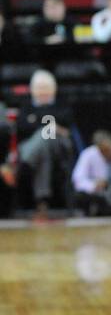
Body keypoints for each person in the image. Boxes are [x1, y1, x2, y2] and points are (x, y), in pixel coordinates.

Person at [0, 70, 77, 216]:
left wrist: (37, 121)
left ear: (53, 88)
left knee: (45, 135)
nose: (43, 91)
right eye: (40, 88)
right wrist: (50, 123)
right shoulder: (26, 104)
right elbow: (22, 126)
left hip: (59, 145)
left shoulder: (62, 102)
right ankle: (42, 201)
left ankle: (22, 166)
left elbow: (67, 121)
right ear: (33, 89)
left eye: (46, 87)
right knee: (44, 146)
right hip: (34, 146)